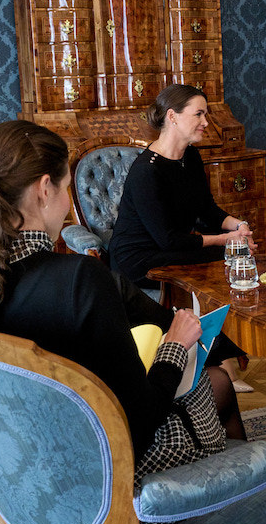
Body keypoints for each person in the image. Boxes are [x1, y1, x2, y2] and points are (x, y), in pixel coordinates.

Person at [0, 120, 243, 482]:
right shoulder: (79, 280)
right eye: (65, 188)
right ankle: (240, 489)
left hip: (14, 478)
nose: (66, 202)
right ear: (44, 189)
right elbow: (138, 426)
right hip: (103, 477)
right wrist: (174, 345)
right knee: (216, 381)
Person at [108, 83, 257, 391]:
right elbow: (169, 240)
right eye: (199, 114)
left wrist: (237, 227)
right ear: (173, 117)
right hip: (139, 257)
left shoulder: (191, 158)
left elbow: (208, 211)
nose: (206, 122)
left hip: (172, 246)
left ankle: (225, 356)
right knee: (225, 254)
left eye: (207, 114)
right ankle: (221, 363)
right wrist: (225, 242)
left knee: (237, 253)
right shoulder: (146, 171)